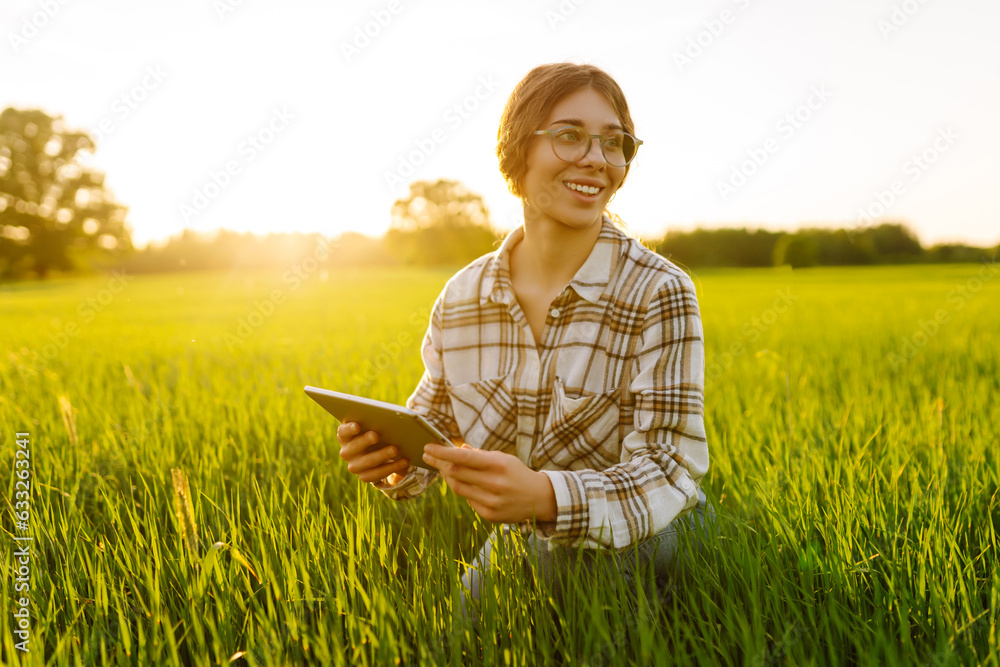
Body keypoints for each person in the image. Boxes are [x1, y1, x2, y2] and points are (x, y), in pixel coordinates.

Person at [336, 62, 716, 629]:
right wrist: (391, 461)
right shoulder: (463, 297)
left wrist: (544, 497)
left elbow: (670, 468)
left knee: (581, 614)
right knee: (467, 635)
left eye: (615, 144)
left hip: (655, 531)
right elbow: (435, 428)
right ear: (518, 150)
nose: (597, 158)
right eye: (569, 135)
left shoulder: (660, 291)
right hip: (534, 535)